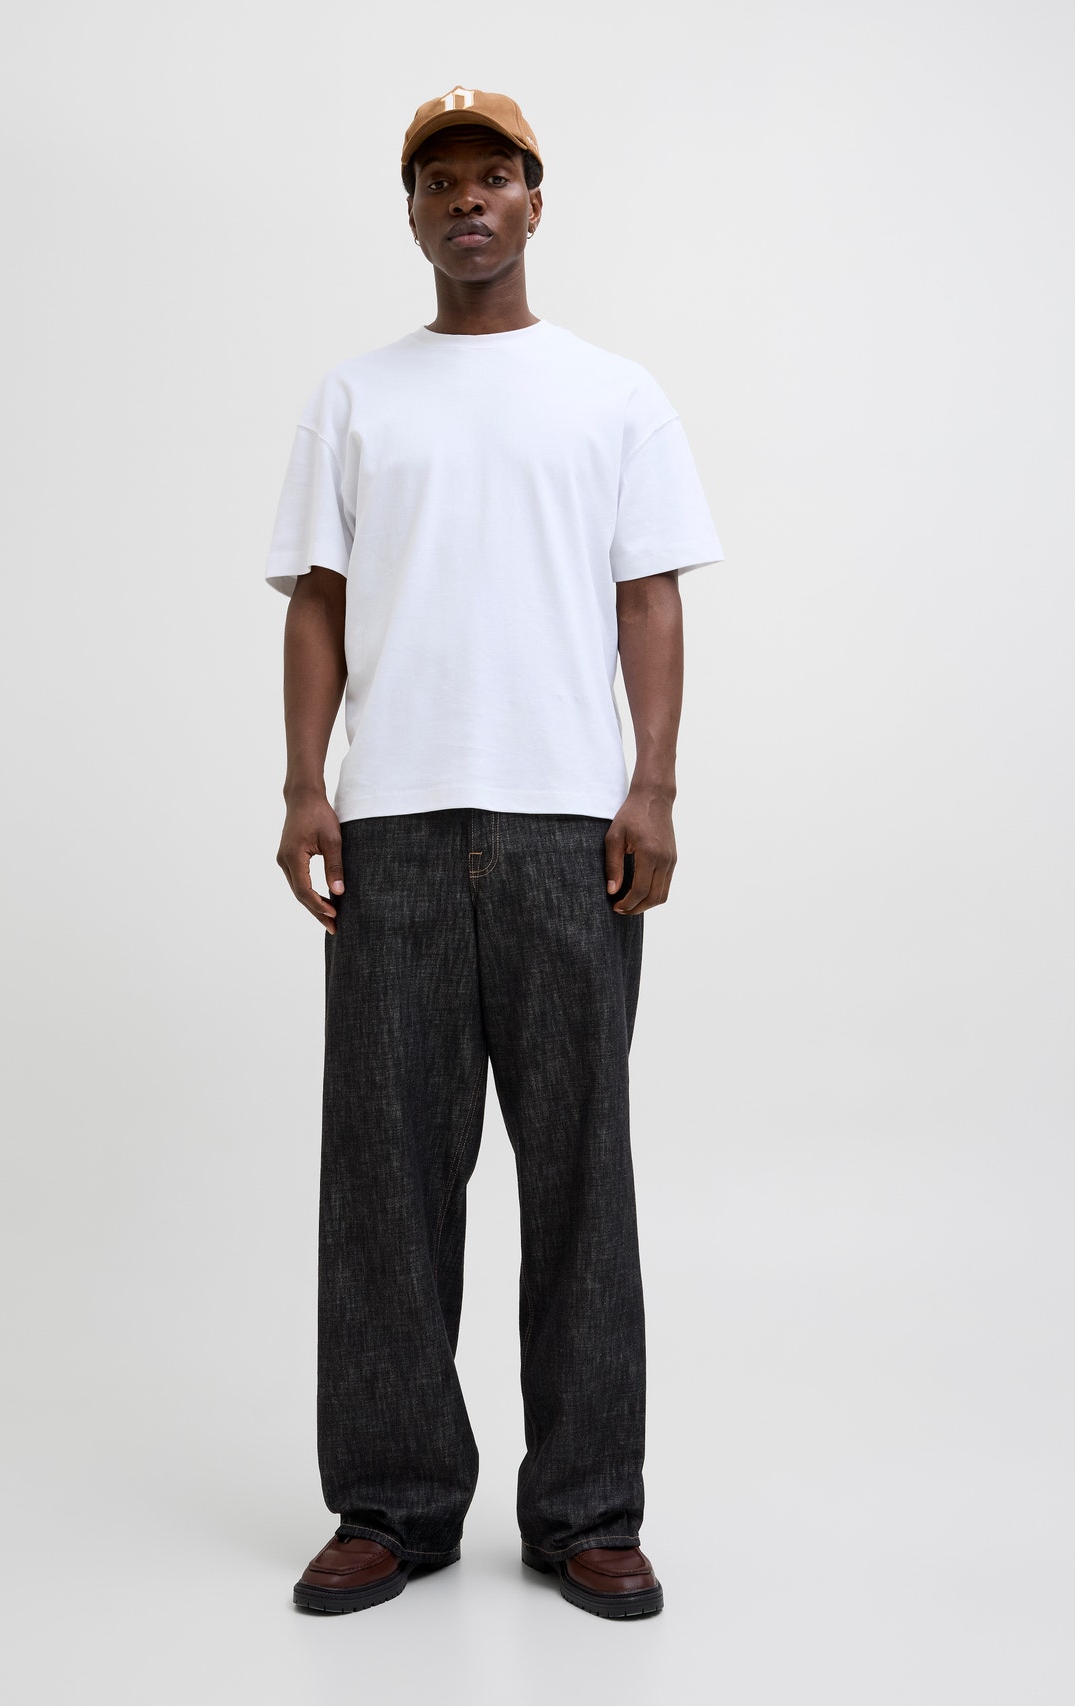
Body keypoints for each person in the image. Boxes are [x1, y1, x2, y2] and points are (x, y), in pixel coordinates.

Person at [264, 86, 723, 1619]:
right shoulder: (356, 396)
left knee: (581, 1169)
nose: (467, 199)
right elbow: (318, 598)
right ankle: (392, 1504)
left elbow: (649, 596)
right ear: (411, 214)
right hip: (391, 826)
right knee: (385, 1178)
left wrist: (652, 785)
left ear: (535, 199)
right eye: (439, 181)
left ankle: (587, 1508)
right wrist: (304, 785)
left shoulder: (613, 393)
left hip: (566, 830)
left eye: (494, 176)